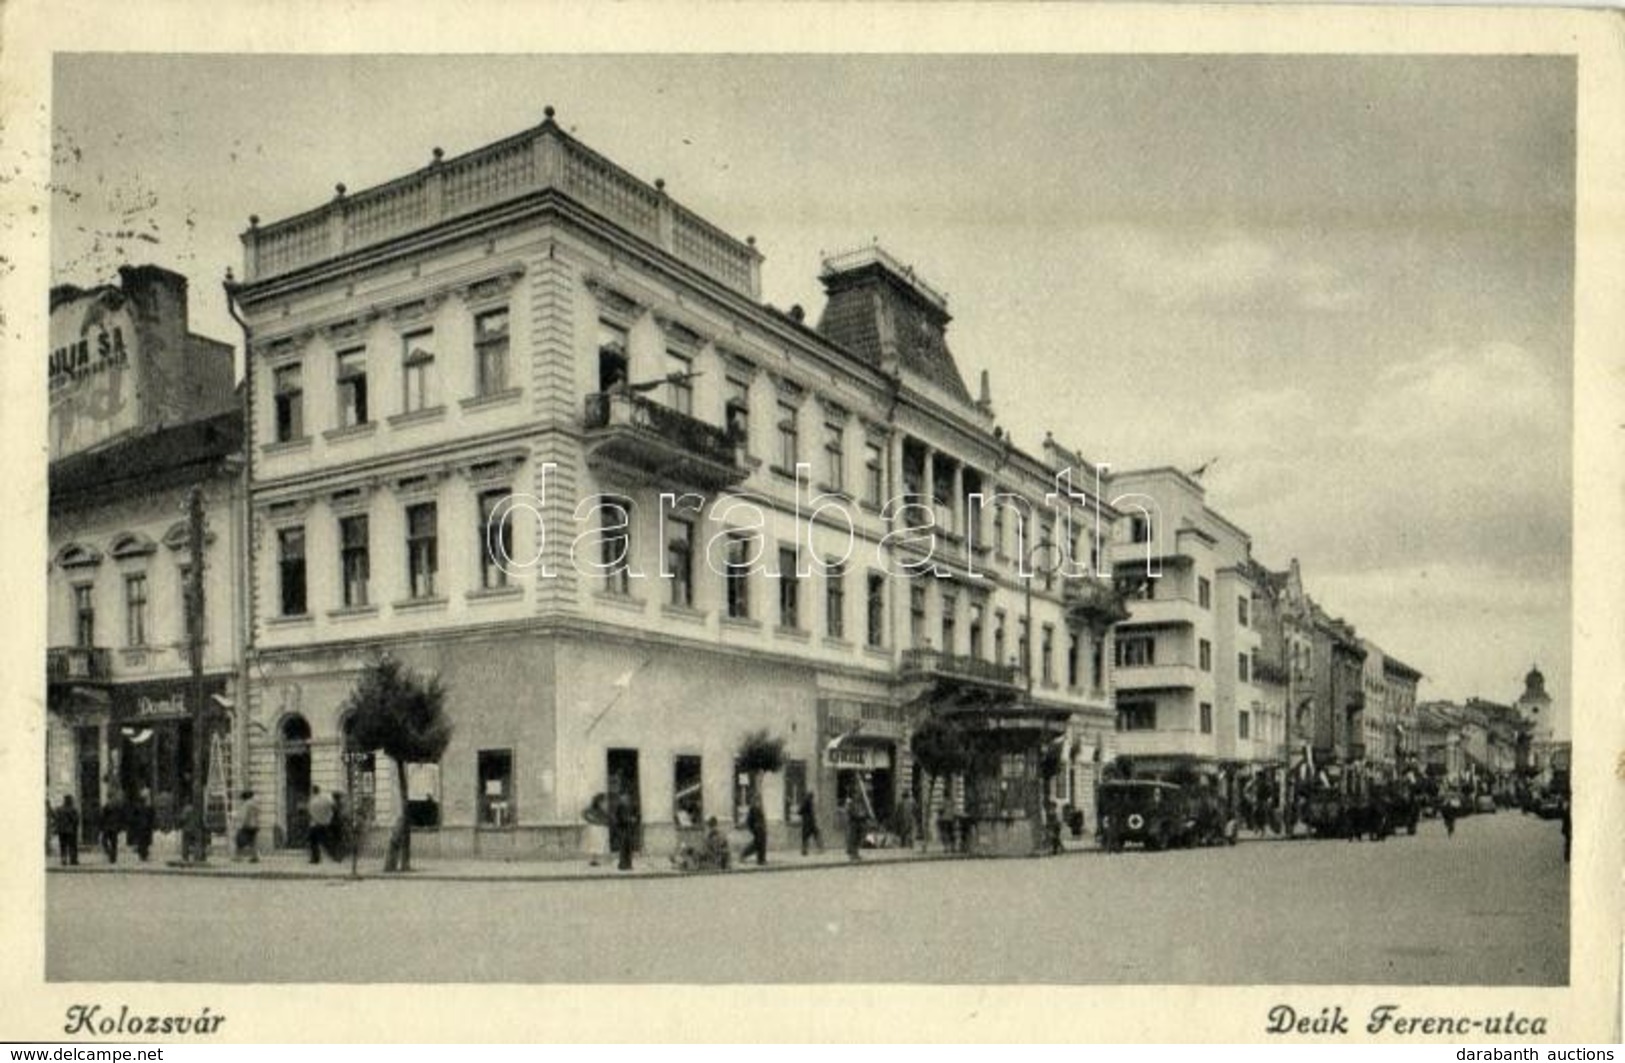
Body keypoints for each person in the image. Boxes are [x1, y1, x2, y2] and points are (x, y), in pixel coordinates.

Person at [307, 785, 336, 864]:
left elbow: (310, 813)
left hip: (315, 824)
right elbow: (333, 806)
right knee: (326, 840)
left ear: (313, 792)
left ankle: (315, 858)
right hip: (326, 823)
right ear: (319, 790)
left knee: (313, 842)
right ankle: (334, 855)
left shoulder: (312, 801)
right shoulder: (326, 798)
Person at [125, 788, 155, 862]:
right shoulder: (147, 808)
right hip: (145, 826)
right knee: (144, 841)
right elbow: (151, 816)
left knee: (142, 841)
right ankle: (144, 854)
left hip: (141, 826)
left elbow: (133, 817)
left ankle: (143, 854)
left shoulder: (138, 808)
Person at [582, 794, 611, 867]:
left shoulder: (601, 810)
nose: (603, 803)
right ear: (598, 801)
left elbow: (606, 817)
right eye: (602, 801)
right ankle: (593, 860)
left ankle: (596, 860)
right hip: (594, 828)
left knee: (599, 844)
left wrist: (604, 822)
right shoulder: (591, 809)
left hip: (599, 828)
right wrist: (592, 820)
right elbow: (584, 813)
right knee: (594, 844)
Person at [740, 792, 768, 866]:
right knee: (757, 844)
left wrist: (763, 826)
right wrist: (754, 828)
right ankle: (758, 859)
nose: (759, 801)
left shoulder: (758, 808)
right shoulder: (753, 808)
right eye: (758, 799)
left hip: (761, 828)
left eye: (759, 799)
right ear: (755, 800)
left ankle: (761, 859)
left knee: (761, 844)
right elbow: (749, 820)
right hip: (758, 829)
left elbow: (761, 819)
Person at [233, 789, 261, 862]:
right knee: (253, 842)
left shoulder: (246, 804)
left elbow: (244, 815)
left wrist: (240, 824)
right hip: (255, 825)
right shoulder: (255, 804)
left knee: (238, 840)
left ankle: (237, 857)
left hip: (247, 825)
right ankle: (255, 857)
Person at [613, 791, 638, 872]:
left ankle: (629, 864)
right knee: (623, 847)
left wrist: (634, 819)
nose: (625, 798)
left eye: (627, 797)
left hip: (629, 829)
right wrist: (627, 819)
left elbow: (636, 815)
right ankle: (623, 864)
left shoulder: (632, 806)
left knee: (629, 847)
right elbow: (617, 818)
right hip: (622, 829)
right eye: (624, 797)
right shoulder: (619, 807)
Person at [54, 795, 80, 866]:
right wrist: (75, 827)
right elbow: (76, 820)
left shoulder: (59, 809)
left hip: (61, 831)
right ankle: (73, 860)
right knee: (72, 845)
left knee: (63, 846)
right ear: (70, 801)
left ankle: (63, 859)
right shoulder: (73, 810)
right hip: (70, 830)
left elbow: (56, 819)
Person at [98, 793, 123, 864]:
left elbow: (102, 817)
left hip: (109, 827)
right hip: (112, 827)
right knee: (111, 843)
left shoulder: (107, 807)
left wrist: (101, 827)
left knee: (109, 842)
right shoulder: (116, 807)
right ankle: (112, 856)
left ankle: (112, 856)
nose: (111, 800)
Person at [843, 791, 867, 862]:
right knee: (852, 839)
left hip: (858, 823)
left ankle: (856, 853)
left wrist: (863, 815)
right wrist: (859, 815)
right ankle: (852, 855)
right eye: (856, 794)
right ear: (853, 795)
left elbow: (863, 811)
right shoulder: (849, 803)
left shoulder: (859, 803)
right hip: (852, 823)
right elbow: (850, 812)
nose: (858, 796)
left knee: (857, 839)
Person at [798, 790, 823, 856]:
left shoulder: (805, 801)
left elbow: (800, 811)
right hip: (811, 821)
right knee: (816, 834)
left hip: (806, 822)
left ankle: (804, 851)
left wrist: (799, 811)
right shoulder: (810, 802)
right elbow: (812, 812)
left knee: (805, 837)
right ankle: (820, 848)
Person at [1561, 797, 1571, 864]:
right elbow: (1565, 821)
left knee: (1568, 842)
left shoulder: (1567, 809)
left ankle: (1567, 856)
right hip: (1567, 829)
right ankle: (1567, 856)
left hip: (1567, 829)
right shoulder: (1568, 809)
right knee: (1568, 842)